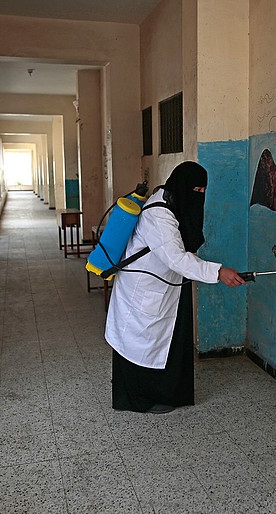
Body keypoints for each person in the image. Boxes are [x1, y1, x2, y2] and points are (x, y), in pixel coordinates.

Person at [104, 161, 246, 414]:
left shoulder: (170, 197)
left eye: (203, 191)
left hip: (163, 284)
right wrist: (219, 272)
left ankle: (163, 395)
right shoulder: (159, 215)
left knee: (158, 342)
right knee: (139, 345)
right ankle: (139, 400)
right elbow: (177, 258)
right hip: (143, 289)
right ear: (182, 186)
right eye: (196, 190)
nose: (199, 196)